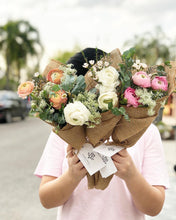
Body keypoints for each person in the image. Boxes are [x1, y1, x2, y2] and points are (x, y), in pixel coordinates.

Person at [34, 48, 169, 220]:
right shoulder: (64, 130)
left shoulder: (145, 131)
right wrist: (72, 176)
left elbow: (154, 207)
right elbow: (46, 200)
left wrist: (131, 175)